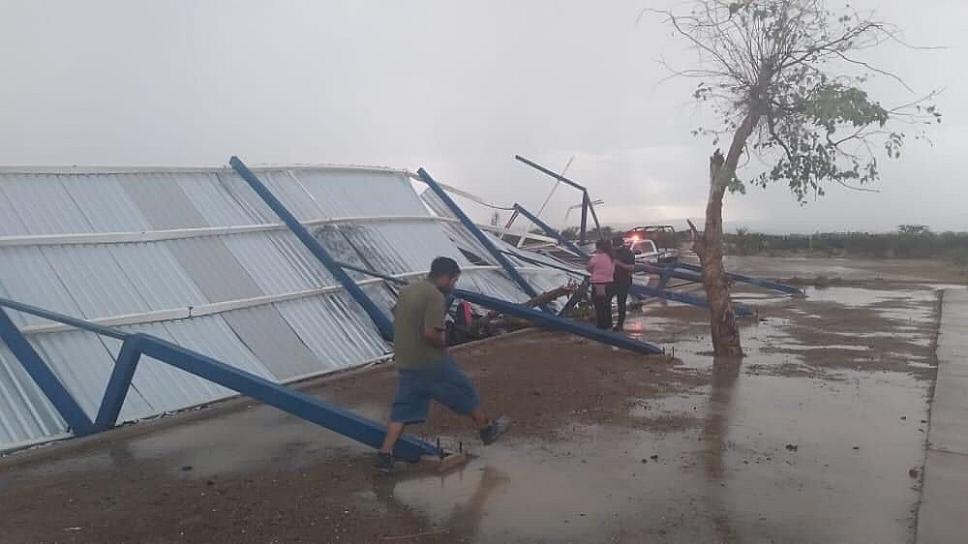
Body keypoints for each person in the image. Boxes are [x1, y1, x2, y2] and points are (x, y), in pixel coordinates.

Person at [377, 256, 511, 473]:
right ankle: (487, 429)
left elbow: (399, 317)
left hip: (406, 360)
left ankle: (385, 455)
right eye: (454, 281)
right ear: (446, 277)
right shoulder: (435, 296)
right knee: (463, 389)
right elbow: (431, 334)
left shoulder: (408, 290)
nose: (454, 285)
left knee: (402, 409)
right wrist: (443, 343)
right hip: (429, 360)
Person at [586, 239, 615, 330]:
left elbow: (588, 267)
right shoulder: (611, 257)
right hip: (609, 283)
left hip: (598, 284)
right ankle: (608, 324)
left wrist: (594, 272)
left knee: (599, 306)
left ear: (599, 248)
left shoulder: (596, 257)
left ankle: (601, 326)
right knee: (607, 305)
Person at [609, 238, 636, 331]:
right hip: (610, 281)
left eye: (617, 246)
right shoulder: (610, 252)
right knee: (606, 300)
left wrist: (619, 263)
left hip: (624, 281)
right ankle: (607, 323)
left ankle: (620, 325)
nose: (615, 248)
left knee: (621, 302)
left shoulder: (628, 253)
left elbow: (632, 268)